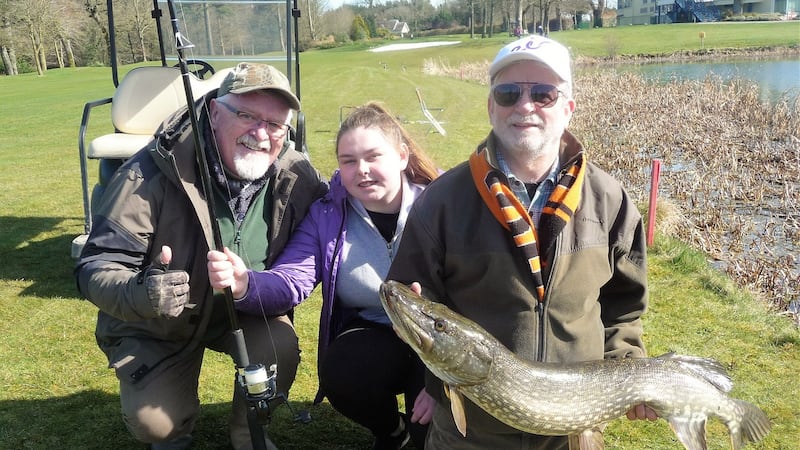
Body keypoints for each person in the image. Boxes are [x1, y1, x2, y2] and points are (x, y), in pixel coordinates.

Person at [385, 35, 656, 449]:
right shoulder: (441, 202)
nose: (525, 107)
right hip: (470, 434)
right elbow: (410, 299)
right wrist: (410, 319)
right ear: (491, 106)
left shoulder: (610, 199)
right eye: (508, 93)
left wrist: (627, 362)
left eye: (544, 94)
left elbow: (624, 305)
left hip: (574, 429)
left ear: (568, 108)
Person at [75, 62, 328, 450]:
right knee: (156, 424)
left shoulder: (296, 177)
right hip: (161, 322)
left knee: (278, 343)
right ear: (213, 113)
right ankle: (174, 431)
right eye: (245, 115)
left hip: (243, 311)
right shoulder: (145, 175)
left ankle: (249, 434)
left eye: (275, 124)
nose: (261, 133)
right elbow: (95, 266)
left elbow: (341, 207)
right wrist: (142, 292)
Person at [207, 102, 440, 449]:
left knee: (434, 437)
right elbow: (291, 279)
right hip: (374, 334)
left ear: (402, 156)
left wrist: (442, 385)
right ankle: (392, 432)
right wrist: (246, 284)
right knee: (342, 372)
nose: (362, 170)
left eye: (374, 156)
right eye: (348, 161)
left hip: (437, 343)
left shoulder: (441, 206)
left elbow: (476, 296)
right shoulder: (327, 215)